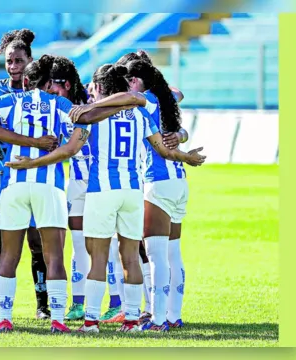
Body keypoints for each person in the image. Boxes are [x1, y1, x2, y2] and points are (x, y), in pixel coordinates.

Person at [0, 55, 89, 334]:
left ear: (25, 80)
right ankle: (57, 319)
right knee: (54, 256)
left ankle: (5, 319)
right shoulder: (60, 103)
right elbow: (80, 132)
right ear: (47, 83)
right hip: (50, 185)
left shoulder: (11, 101)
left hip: (13, 184)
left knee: (9, 255)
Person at [67, 64, 205, 333]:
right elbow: (164, 150)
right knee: (131, 256)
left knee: (98, 257)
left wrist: (35, 159)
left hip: (102, 190)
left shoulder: (92, 116)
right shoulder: (142, 115)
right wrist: (188, 155)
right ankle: (132, 319)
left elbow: (71, 148)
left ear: (102, 88)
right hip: (132, 191)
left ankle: (91, 321)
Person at [47, 56, 125, 322]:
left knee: (106, 245)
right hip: (76, 183)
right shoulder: (59, 109)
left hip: (99, 183)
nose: (50, 92)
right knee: (79, 244)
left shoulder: (92, 106)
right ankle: (78, 302)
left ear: (66, 84)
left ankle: (117, 302)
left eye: (53, 86)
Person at [0, 29, 54, 321]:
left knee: (39, 242)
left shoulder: (42, 92)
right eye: (9, 61)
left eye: (19, 61)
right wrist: (28, 139)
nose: (13, 67)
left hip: (38, 175)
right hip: (3, 175)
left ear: (30, 60)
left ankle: (43, 305)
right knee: (3, 244)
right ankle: (0, 305)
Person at [121, 57, 190, 331]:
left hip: (157, 181)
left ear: (135, 81)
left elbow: (133, 99)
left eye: (126, 82)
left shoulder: (146, 100)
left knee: (156, 255)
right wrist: (181, 134)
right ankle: (174, 315)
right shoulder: (166, 97)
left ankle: (158, 319)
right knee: (173, 254)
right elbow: (178, 93)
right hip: (179, 181)